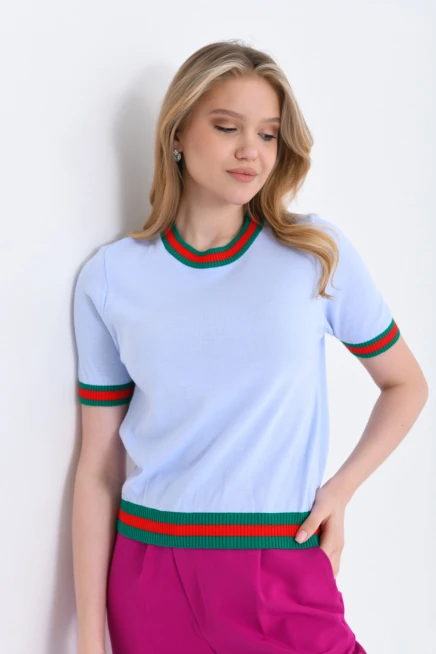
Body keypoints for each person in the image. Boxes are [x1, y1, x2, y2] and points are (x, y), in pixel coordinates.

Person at [72, 39, 428, 654]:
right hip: (152, 575)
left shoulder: (313, 254)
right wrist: (87, 636)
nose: (251, 151)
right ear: (177, 133)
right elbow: (98, 468)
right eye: (227, 127)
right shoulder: (111, 277)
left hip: (280, 562)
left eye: (268, 134)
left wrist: (339, 491)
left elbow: (406, 384)